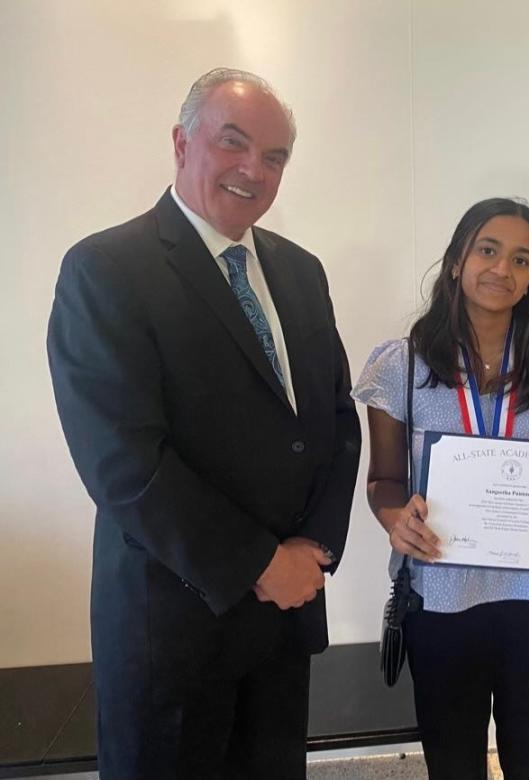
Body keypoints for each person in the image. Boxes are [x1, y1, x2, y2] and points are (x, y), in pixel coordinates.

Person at [47, 68, 360, 780]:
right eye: (233, 143)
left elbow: (335, 421)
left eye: (275, 156)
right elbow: (124, 464)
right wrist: (256, 564)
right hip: (175, 630)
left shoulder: (301, 271)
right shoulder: (106, 270)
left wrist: (313, 545)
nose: (254, 169)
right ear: (182, 141)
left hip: (283, 620)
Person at [352, 197, 529, 779]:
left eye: (522, 260)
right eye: (488, 250)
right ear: (455, 262)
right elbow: (383, 480)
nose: (502, 269)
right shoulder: (401, 364)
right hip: (440, 598)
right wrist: (396, 519)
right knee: (453, 763)